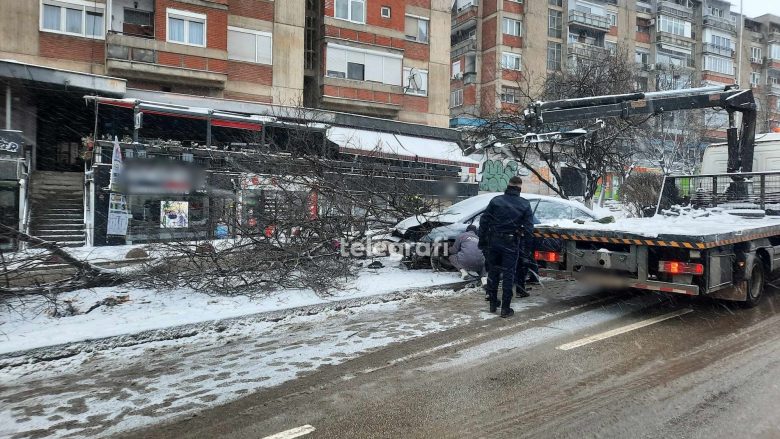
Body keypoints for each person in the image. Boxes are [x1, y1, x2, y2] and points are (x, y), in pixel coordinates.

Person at [478, 176, 534, 318]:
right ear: (520, 188)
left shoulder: (496, 201)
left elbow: (484, 222)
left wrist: (482, 241)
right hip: (511, 243)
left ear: (507, 186)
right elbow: (529, 229)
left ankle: (492, 303)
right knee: (509, 275)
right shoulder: (524, 204)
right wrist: (528, 249)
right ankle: (505, 308)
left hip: (494, 241)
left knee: (493, 272)